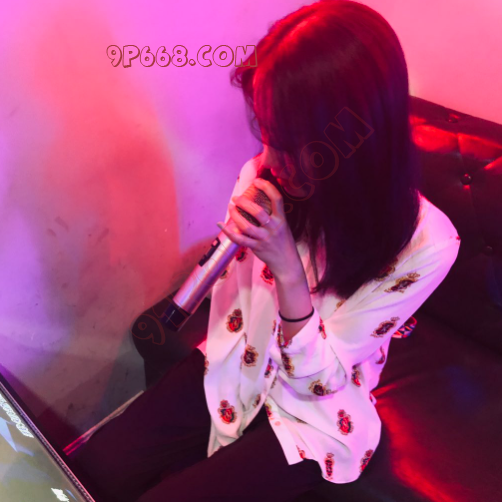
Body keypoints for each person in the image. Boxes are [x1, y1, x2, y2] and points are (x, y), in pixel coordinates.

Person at [73, 1, 461, 501]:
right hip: (234, 366)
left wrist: (287, 270)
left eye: (288, 141)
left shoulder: (429, 244)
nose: (268, 159)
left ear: (349, 138)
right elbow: (232, 309)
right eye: (267, 132)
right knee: (92, 469)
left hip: (314, 413)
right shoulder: (266, 178)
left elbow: (318, 381)